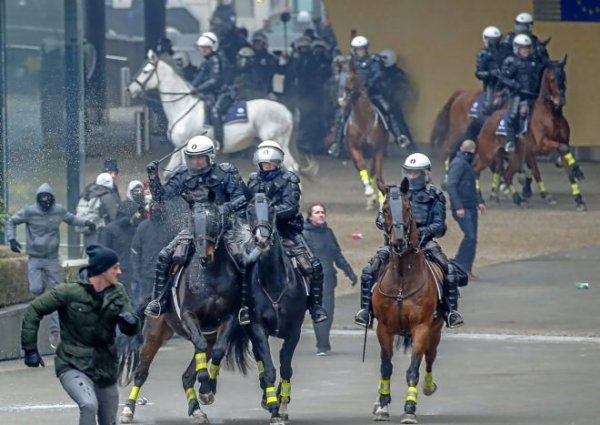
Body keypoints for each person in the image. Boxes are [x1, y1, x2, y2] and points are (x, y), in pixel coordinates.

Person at [21, 244, 140, 425]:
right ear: (101, 270)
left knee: (109, 420)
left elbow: (132, 326)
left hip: (105, 368)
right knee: (88, 404)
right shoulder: (69, 292)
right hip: (72, 364)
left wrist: (130, 323)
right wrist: (30, 348)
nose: (119, 271)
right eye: (115, 267)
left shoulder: (118, 293)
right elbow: (35, 309)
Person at [354, 153, 464, 329]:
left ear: (424, 174)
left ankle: (450, 312)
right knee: (369, 270)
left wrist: (419, 232)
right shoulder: (394, 193)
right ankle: (365, 311)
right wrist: (387, 224)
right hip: (394, 242)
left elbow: (440, 226)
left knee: (448, 270)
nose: (412, 177)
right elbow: (381, 217)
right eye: (409, 173)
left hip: (424, 243)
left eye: (416, 173)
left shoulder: (435, 195)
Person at [144, 135, 247, 318]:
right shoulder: (182, 174)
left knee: (243, 258)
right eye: (192, 158)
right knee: (164, 256)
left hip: (225, 227)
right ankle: (160, 301)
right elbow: (161, 196)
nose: (196, 162)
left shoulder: (226, 172)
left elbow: (241, 197)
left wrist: (225, 208)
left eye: (200, 157)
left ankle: (247, 304)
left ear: (210, 157)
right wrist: (153, 177)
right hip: (194, 229)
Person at [244, 140, 328, 325]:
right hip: (257, 230)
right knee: (238, 262)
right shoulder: (253, 179)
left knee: (313, 266)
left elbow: (290, 206)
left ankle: (315, 307)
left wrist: (268, 216)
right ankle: (241, 306)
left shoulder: (290, 179)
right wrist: (257, 221)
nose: (266, 166)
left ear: (277, 161)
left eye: (270, 163)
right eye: (263, 163)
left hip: (286, 229)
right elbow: (247, 203)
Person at [7, 183, 95, 348]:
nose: (46, 200)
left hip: (52, 259)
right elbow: (11, 221)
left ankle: (55, 333)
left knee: (56, 296)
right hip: (35, 257)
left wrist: (87, 223)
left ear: (52, 198)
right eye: (43, 197)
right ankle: (41, 302)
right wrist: (12, 239)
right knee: (35, 289)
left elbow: (72, 219)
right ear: (38, 198)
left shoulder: (58, 210)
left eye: (48, 197)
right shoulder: (29, 211)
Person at [328, 35, 408, 158]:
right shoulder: (348, 64)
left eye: (362, 49)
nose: (360, 52)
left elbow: (378, 75)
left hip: (372, 93)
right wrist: (342, 96)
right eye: (358, 49)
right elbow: (343, 81)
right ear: (353, 50)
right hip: (353, 95)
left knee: (387, 109)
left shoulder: (373, 61)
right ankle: (337, 144)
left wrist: (367, 85)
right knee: (341, 114)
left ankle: (399, 136)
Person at [303, 203, 357, 356]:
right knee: (320, 311)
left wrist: (349, 272)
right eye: (317, 212)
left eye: (323, 212)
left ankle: (324, 343)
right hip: (312, 279)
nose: (321, 215)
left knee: (329, 312)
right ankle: (321, 345)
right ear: (310, 216)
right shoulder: (304, 234)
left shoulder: (328, 233)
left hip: (328, 279)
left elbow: (337, 255)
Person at [446, 140, 486, 278]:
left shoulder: (468, 164)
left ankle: (466, 269)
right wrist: (458, 207)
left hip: (471, 206)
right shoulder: (459, 164)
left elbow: (474, 184)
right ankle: (459, 265)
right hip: (463, 208)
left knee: (473, 239)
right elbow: (451, 185)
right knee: (470, 237)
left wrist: (479, 201)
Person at [499, 34, 544, 153]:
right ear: (517, 48)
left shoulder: (534, 62)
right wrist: (514, 84)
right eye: (523, 48)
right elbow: (503, 78)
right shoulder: (511, 61)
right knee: (513, 114)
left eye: (528, 48)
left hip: (533, 95)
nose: (526, 51)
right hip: (518, 94)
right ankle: (510, 141)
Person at [130, 202, 173, 309]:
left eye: (160, 206)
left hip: (166, 275)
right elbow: (135, 250)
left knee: (165, 305)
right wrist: (136, 272)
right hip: (147, 275)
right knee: (145, 304)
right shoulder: (143, 226)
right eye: (154, 206)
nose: (157, 208)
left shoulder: (170, 227)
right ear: (150, 208)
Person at [192, 32, 229, 151]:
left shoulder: (215, 60)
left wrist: (198, 89)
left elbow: (215, 80)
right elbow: (200, 76)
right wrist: (190, 87)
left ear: (213, 47)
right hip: (213, 92)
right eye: (202, 48)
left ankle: (219, 142)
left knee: (215, 111)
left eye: (206, 48)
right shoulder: (207, 61)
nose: (203, 50)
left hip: (223, 92)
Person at [379, 48, 414, 145]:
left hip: (392, 102)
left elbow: (401, 90)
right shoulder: (378, 72)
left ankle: (404, 139)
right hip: (377, 100)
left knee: (396, 119)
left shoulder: (397, 74)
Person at [79, 172, 121, 248]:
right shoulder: (107, 196)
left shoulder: (87, 193)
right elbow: (114, 217)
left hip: (87, 233)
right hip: (102, 234)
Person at [475, 26, 503, 117]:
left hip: (505, 83)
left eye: (496, 40)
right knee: (488, 105)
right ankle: (483, 123)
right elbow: (479, 73)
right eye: (492, 40)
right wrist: (491, 73)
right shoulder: (483, 54)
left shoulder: (503, 52)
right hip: (491, 84)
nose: (494, 43)